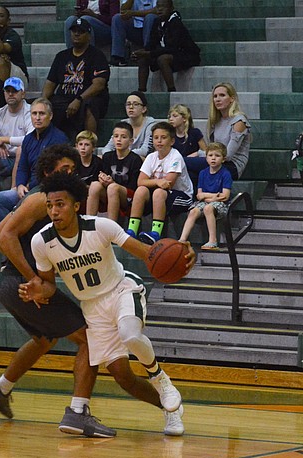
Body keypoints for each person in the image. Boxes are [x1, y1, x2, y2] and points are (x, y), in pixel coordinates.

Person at [21, 172, 192, 434]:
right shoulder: (41, 242)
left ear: (76, 206)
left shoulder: (100, 227)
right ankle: (170, 410)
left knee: (130, 335)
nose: (54, 211)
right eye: (49, 205)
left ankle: (161, 379)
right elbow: (49, 284)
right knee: (123, 377)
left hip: (121, 290)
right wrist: (37, 289)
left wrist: (180, 251)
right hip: (92, 307)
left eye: (60, 204)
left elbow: (149, 254)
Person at [0, 145, 118, 437]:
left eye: (72, 169)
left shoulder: (44, 199)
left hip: (11, 284)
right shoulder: (43, 199)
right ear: (46, 172)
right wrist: (34, 278)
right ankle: (78, 413)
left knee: (44, 339)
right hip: (21, 283)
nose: (70, 174)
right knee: (89, 338)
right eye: (63, 170)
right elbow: (2, 236)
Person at [0, 97, 68, 228]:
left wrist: (29, 187)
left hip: (46, 189)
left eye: (42, 114)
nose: (38, 117)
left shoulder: (59, 139)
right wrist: (20, 185)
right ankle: (14, 237)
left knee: (20, 209)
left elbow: (55, 175)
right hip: (27, 188)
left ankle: (14, 236)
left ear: (50, 116)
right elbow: (22, 167)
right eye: (34, 114)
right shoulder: (28, 139)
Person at [125, 120, 194, 244]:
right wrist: (157, 181)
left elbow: (168, 184)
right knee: (141, 190)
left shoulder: (175, 156)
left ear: (172, 141)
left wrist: (153, 181)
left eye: (163, 137)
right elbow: (140, 181)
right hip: (160, 195)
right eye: (156, 138)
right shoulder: (151, 157)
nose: (159, 141)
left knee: (159, 192)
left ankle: (155, 233)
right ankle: (132, 231)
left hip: (182, 197)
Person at [42, 17, 110, 140]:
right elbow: (50, 83)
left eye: (81, 31)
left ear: (89, 36)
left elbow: (99, 85)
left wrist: (78, 99)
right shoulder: (61, 56)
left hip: (87, 99)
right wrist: (43, 102)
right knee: (37, 106)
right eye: (74, 31)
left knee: (89, 105)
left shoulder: (97, 55)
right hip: (63, 99)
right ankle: (44, 143)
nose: (77, 34)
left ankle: (89, 143)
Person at [134, 0, 199, 93]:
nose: (160, 9)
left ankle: (171, 91)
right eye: (158, 7)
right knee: (143, 59)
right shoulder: (156, 22)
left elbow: (173, 48)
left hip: (185, 55)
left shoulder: (176, 23)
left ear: (171, 9)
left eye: (163, 7)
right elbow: (152, 44)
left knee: (163, 59)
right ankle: (141, 91)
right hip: (166, 53)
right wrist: (141, 53)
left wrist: (150, 53)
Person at [178, 142, 232, 251]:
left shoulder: (226, 174)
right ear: (206, 158)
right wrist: (213, 196)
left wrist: (208, 197)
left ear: (223, 159)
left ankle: (213, 240)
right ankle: (182, 240)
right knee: (193, 211)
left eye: (217, 156)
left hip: (221, 205)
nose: (213, 158)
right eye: (210, 155)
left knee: (208, 208)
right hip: (206, 201)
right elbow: (199, 195)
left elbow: (225, 196)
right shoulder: (202, 173)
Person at [86, 121, 144, 221]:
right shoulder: (108, 156)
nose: (119, 140)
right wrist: (102, 179)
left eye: (123, 137)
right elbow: (102, 175)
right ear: (112, 139)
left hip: (128, 195)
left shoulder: (135, 159)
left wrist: (112, 183)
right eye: (116, 136)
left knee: (113, 187)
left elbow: (134, 186)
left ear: (131, 141)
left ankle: (112, 226)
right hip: (109, 191)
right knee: (95, 185)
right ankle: (89, 222)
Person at [101, 91, 154, 158]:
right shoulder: (123, 124)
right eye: (128, 104)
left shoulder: (150, 125)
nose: (131, 107)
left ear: (144, 109)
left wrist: (122, 153)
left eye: (135, 104)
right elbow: (107, 148)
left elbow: (145, 151)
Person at [109, 0, 157, 67]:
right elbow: (123, 10)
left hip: (152, 30)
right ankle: (118, 56)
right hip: (135, 28)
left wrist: (133, 13)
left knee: (150, 17)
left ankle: (147, 53)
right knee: (117, 18)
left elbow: (157, 10)